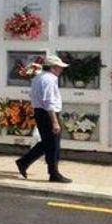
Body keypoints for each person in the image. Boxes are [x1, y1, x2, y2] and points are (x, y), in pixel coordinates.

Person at [16, 55, 73, 183]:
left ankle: (23, 162)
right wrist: (54, 121)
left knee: (47, 143)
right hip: (48, 113)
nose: (61, 70)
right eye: (59, 67)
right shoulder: (49, 80)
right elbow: (48, 101)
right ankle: (53, 173)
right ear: (53, 67)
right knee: (53, 145)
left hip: (40, 112)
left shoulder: (38, 77)